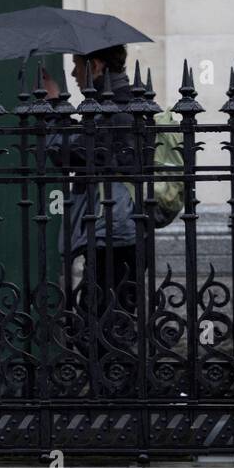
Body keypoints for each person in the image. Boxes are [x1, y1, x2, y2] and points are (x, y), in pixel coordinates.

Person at [42, 45, 145, 357]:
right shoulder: (118, 103)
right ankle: (113, 387)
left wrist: (54, 104)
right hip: (117, 226)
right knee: (108, 314)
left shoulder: (117, 107)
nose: (73, 73)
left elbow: (70, 151)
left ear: (96, 66)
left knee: (107, 316)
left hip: (114, 229)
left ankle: (115, 392)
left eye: (77, 65)